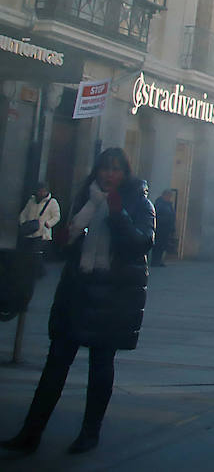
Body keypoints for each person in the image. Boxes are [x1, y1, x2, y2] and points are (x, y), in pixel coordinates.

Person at [0, 148, 155, 456]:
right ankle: (31, 432)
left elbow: (141, 243)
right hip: (78, 292)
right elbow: (69, 242)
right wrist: (63, 241)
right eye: (104, 168)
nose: (109, 174)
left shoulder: (140, 202)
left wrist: (116, 211)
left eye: (116, 169)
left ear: (126, 173)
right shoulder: (85, 198)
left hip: (112, 297)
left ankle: (89, 432)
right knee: (55, 366)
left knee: (100, 367)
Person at [17, 182, 61, 259]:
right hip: (29, 232)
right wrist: (23, 222)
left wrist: (48, 224)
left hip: (42, 234)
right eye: (40, 191)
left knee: (36, 255)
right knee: (26, 254)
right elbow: (24, 213)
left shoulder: (52, 202)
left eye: (44, 191)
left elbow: (56, 217)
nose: (41, 193)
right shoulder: (31, 201)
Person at [150, 190, 176, 267]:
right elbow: (156, 215)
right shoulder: (159, 204)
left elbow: (171, 216)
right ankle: (155, 261)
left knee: (163, 245)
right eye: (168, 196)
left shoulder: (168, 205)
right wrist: (165, 220)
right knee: (158, 245)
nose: (170, 198)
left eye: (170, 196)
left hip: (166, 228)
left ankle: (159, 260)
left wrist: (172, 227)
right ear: (164, 195)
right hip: (160, 228)